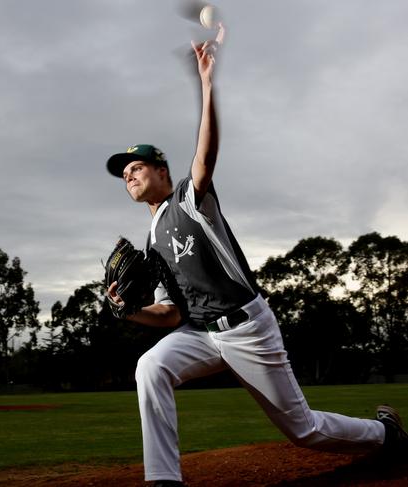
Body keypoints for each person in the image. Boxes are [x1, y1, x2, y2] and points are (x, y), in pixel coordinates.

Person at [105, 25, 407, 487]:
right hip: (201, 334)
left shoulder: (189, 198)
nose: (129, 175)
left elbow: (205, 158)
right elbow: (168, 314)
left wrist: (207, 84)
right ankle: (163, 479)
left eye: (137, 166)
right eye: (124, 173)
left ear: (162, 170)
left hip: (246, 326)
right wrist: (130, 312)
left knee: (302, 430)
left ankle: (384, 435)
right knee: (150, 366)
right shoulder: (152, 243)